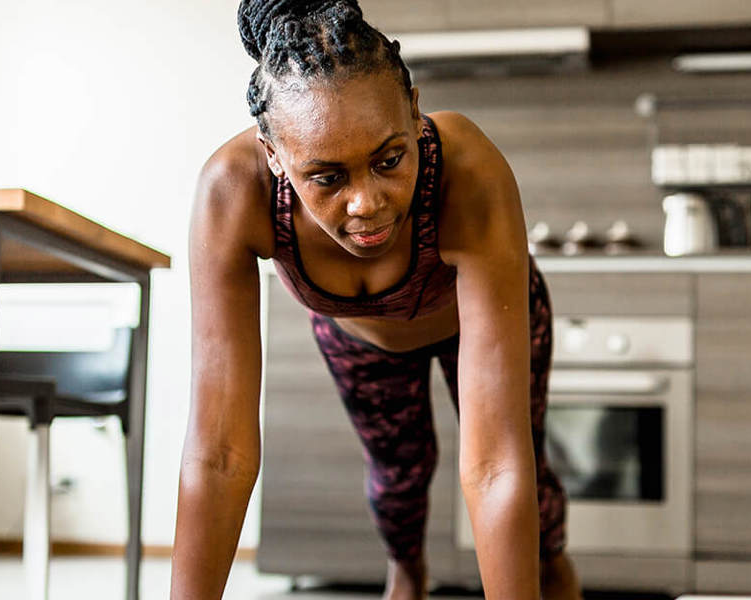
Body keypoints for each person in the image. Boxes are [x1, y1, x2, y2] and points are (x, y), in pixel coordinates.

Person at [172, 1, 580, 598]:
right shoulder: (232, 191)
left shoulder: (467, 167)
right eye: (327, 178)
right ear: (273, 153)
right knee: (397, 481)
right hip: (358, 336)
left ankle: (557, 567)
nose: (366, 203)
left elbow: (494, 464)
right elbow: (219, 455)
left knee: (528, 478)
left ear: (414, 111)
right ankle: (407, 574)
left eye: (389, 160)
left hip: (473, 319)